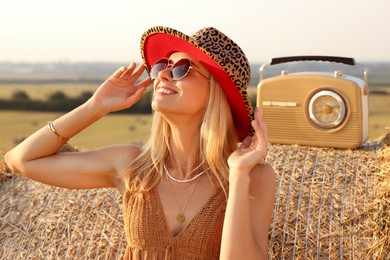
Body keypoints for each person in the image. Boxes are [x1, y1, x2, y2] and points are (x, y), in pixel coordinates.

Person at [5, 26, 276, 259]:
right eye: (162, 65)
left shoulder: (254, 177)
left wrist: (239, 175)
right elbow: (21, 160)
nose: (163, 75)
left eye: (183, 69)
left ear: (217, 93)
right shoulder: (132, 165)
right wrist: (95, 106)